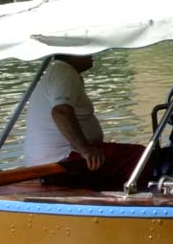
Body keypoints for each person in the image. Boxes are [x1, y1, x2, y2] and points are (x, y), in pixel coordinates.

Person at [23, 54, 146, 189]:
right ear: (73, 54)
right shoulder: (64, 73)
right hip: (62, 159)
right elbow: (61, 112)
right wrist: (85, 149)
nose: (92, 54)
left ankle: (109, 190)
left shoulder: (60, 72)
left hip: (54, 158)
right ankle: (137, 197)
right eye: (86, 50)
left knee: (118, 157)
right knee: (140, 155)